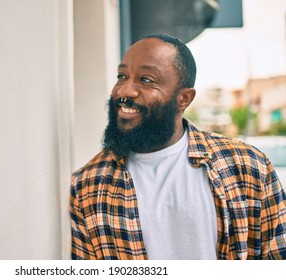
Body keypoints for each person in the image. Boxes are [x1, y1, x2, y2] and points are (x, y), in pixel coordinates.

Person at [69, 33, 286, 260]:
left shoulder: (248, 166)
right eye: (122, 76)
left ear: (184, 98)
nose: (124, 91)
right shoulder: (88, 185)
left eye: (146, 80)